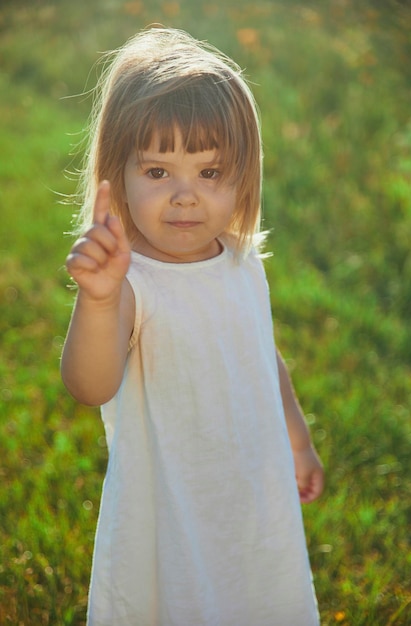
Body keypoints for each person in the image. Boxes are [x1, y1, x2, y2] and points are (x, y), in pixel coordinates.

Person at [61, 26, 324, 626]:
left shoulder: (240, 261)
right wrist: (98, 301)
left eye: (210, 174)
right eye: (158, 173)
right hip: (172, 513)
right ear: (117, 174)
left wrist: (298, 440)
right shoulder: (134, 285)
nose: (185, 197)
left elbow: (264, 358)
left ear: (243, 177)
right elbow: (89, 384)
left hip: (252, 503)